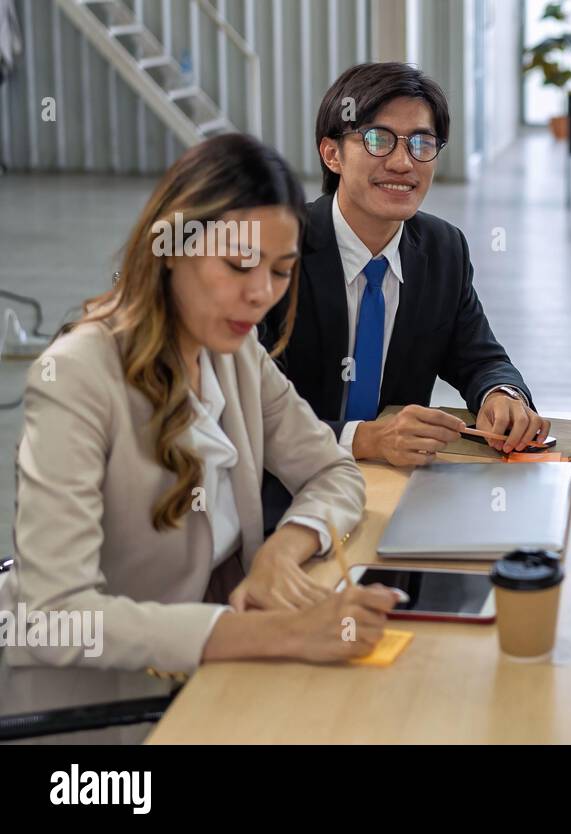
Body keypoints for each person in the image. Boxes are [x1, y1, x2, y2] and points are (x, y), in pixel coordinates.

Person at [0, 134, 400, 743]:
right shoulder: (78, 376)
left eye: (280, 271)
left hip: (203, 678)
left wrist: (279, 553)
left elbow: (333, 472)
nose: (262, 293)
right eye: (238, 265)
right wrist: (284, 632)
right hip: (93, 710)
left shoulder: (236, 352)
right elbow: (59, 618)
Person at [261, 62, 548, 479]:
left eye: (421, 143)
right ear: (332, 154)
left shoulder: (443, 249)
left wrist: (500, 395)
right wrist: (364, 439)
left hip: (394, 484)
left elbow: (479, 357)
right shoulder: (277, 251)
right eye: (378, 139)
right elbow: (247, 411)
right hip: (284, 482)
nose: (402, 162)